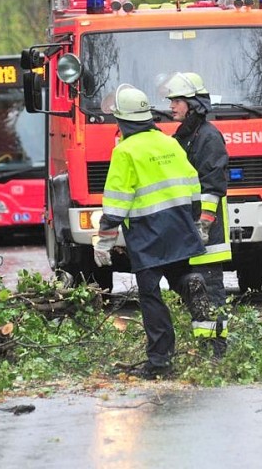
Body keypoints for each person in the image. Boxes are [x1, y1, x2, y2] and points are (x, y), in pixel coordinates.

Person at [93, 83, 205, 379]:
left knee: (151, 296)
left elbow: (116, 203)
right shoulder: (170, 143)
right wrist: (195, 220)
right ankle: (190, 283)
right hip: (179, 227)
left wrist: (103, 242)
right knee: (179, 274)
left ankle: (160, 362)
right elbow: (194, 185)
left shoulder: (125, 151)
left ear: (122, 121)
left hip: (147, 234)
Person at [161, 72, 231, 358]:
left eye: (178, 100)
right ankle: (205, 348)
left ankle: (216, 351)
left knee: (211, 291)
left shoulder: (209, 137)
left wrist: (204, 222)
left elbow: (213, 185)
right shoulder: (186, 136)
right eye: (172, 100)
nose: (172, 106)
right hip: (190, 230)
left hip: (207, 233)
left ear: (194, 104)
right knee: (197, 292)